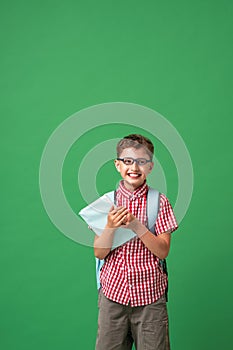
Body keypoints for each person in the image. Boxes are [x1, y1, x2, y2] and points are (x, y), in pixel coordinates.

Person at [94, 134, 178, 350]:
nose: (134, 167)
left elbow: (163, 251)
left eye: (142, 161)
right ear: (117, 165)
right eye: (128, 161)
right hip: (113, 295)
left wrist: (137, 226)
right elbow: (99, 252)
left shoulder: (159, 202)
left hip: (150, 297)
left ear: (150, 166)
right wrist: (110, 227)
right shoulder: (107, 203)